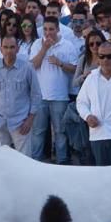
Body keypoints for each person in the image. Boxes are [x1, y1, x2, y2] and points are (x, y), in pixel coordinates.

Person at [29, 17, 77, 164]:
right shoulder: (37, 44)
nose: (48, 32)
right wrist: (44, 49)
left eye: (51, 29)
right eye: (45, 29)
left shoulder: (67, 45)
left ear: (57, 29)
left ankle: (62, 161)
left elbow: (74, 69)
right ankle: (36, 161)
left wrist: (60, 63)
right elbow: (32, 66)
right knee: (38, 131)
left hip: (60, 96)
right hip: (40, 96)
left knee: (60, 132)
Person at [0, 35, 41, 155]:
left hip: (21, 122)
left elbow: (36, 95)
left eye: (12, 47)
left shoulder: (27, 68)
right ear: (0, 49)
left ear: (17, 49)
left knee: (25, 160)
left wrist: (30, 120)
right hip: (0, 121)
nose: (8, 51)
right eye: (5, 47)